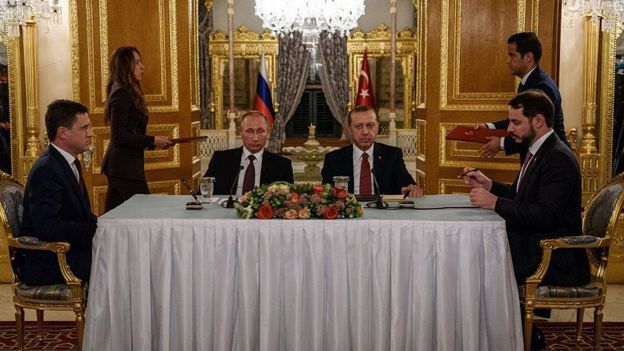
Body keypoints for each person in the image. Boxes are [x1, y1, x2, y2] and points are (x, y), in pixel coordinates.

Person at [19, 100, 97, 285]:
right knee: (121, 261)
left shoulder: (69, 162)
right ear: (63, 132)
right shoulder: (46, 169)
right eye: (84, 128)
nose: (91, 133)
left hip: (72, 252)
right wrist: (95, 230)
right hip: (52, 262)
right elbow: (48, 228)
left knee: (123, 252)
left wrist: (103, 226)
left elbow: (80, 216)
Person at [101, 46, 172, 211]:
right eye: (137, 62)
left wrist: (153, 143)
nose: (142, 66)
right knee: (145, 211)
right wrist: (152, 139)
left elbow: (130, 132)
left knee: (114, 216)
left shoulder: (125, 92)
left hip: (122, 165)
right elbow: (119, 136)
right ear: (126, 66)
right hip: (124, 166)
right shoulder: (121, 94)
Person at [479, 32, 568, 162]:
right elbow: (521, 118)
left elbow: (534, 128)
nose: (507, 61)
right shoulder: (529, 81)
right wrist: (489, 126)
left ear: (528, 57)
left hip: (551, 160)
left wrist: (502, 143)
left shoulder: (542, 86)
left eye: (512, 55)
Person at [321, 105, 423, 197]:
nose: (365, 132)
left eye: (370, 125)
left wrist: (411, 189)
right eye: (358, 126)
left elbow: (406, 184)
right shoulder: (333, 159)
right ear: (349, 130)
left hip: (383, 214)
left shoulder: (392, 155)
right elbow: (326, 194)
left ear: (377, 127)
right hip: (349, 214)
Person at [203, 110, 293, 195]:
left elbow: (288, 199)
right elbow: (203, 192)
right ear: (241, 132)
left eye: (260, 131)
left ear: (268, 133)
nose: (255, 138)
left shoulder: (282, 165)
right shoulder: (221, 159)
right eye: (249, 131)